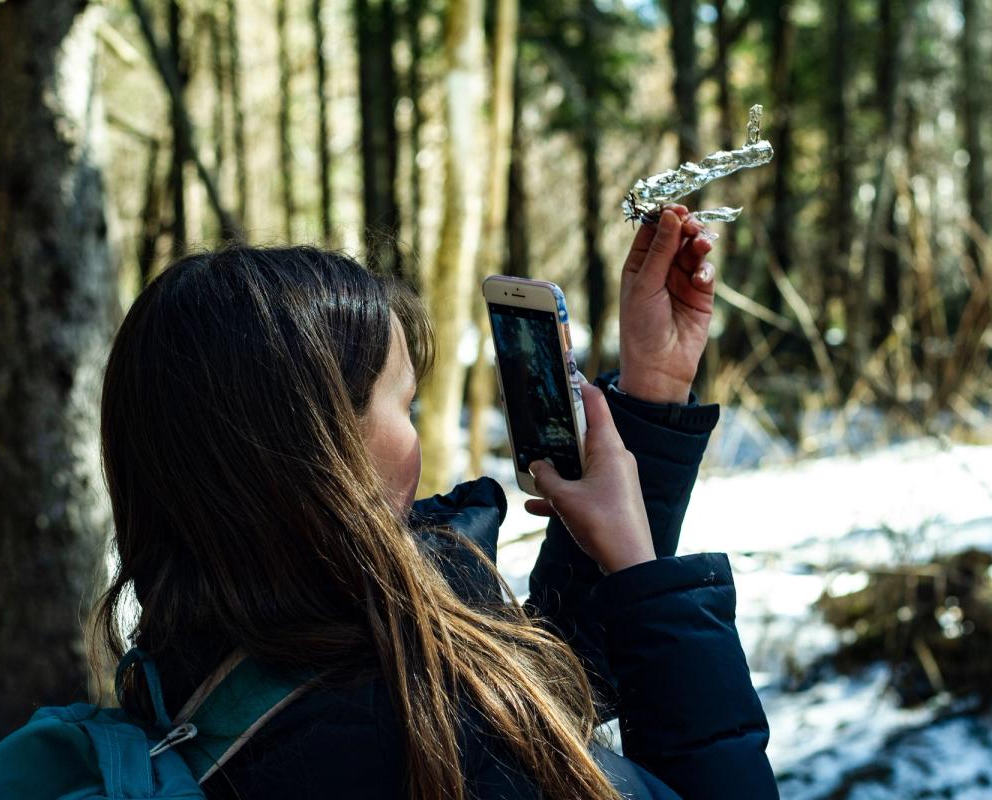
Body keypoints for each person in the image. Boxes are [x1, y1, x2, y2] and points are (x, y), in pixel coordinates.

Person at [93, 205, 779, 799]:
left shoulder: (207, 675)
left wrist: (650, 392)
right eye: (408, 404)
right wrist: (637, 567)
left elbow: (544, 689)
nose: (420, 432)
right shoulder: (431, 742)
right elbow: (518, 738)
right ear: (327, 453)